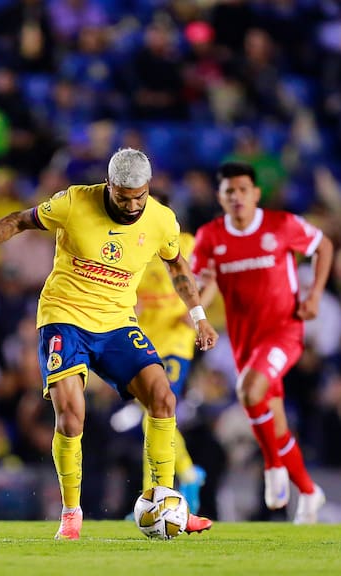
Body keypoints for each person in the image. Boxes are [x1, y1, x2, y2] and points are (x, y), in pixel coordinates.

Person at [0, 148, 218, 539]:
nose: (133, 205)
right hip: (64, 319)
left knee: (163, 397)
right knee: (72, 416)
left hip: (117, 322)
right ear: (109, 186)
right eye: (124, 197)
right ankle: (71, 513)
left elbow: (177, 265)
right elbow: (19, 220)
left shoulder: (161, 219)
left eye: (140, 196)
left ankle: (166, 500)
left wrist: (199, 316)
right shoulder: (73, 202)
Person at [191, 161, 333, 524]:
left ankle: (274, 467)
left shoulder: (281, 225)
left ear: (255, 193)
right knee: (276, 422)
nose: (236, 196)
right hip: (244, 341)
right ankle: (310, 491)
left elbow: (324, 246)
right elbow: (203, 286)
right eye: (228, 191)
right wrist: (195, 314)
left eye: (242, 189)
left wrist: (314, 295)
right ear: (220, 197)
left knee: (249, 390)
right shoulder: (209, 236)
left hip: (284, 331)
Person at [133, 196, 206, 514]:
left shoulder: (187, 244)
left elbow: (209, 279)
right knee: (149, 417)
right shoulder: (136, 251)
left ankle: (153, 498)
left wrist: (196, 310)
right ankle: (187, 471)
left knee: (156, 414)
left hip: (176, 342)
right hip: (144, 343)